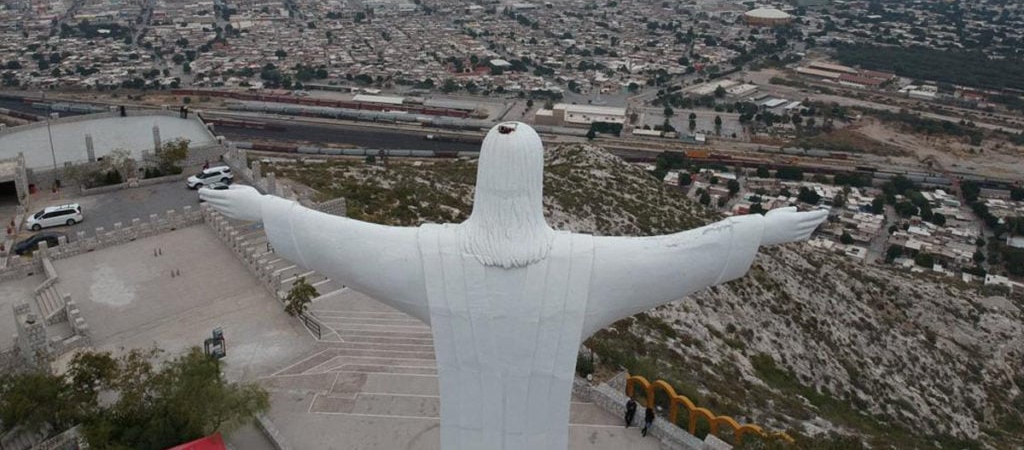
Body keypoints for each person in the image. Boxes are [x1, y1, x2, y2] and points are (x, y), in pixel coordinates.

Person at [201, 122, 827, 450]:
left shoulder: (430, 257)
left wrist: (266, 211)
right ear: (535, 180)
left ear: (481, 177)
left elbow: (343, 239)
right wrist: (758, 233)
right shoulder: (586, 266)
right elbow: (676, 255)